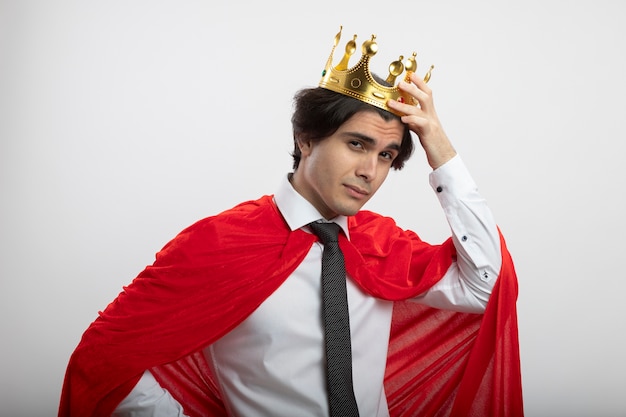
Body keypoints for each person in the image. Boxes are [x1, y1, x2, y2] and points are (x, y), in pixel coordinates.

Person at [59, 27, 523, 417]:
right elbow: (102, 360)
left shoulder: (381, 244)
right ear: (305, 139)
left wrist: (437, 142)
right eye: (357, 145)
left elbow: (487, 283)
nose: (371, 171)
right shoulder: (220, 243)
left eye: (386, 156)